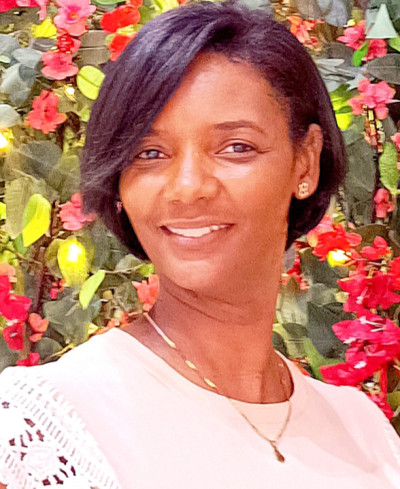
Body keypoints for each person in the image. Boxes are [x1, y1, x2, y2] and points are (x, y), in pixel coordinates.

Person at [1, 1, 400, 488]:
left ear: (306, 162)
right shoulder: (47, 431)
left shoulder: (363, 432)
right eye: (149, 153)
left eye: (236, 147)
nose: (188, 187)